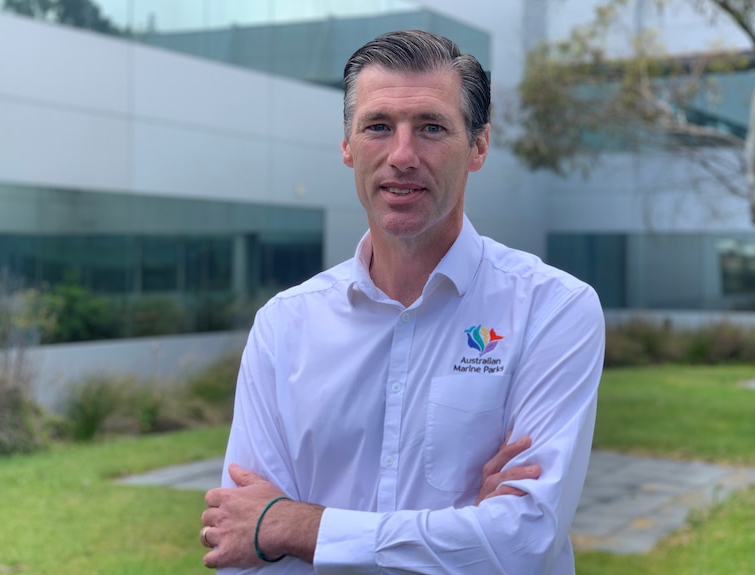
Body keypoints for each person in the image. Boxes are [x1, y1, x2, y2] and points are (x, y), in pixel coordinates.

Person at [200, 30, 604, 574]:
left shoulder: (552, 310)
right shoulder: (284, 325)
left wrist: (297, 526)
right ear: (347, 146)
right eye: (378, 127)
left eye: (432, 127)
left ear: (479, 146)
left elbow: (520, 542)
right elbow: (246, 544)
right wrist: (464, 529)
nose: (403, 155)